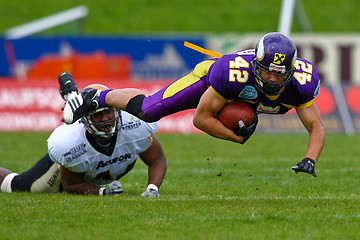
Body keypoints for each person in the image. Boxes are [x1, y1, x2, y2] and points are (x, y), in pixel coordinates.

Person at [62, 32, 325, 177]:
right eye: (267, 72)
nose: (272, 79)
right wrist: (235, 138)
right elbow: (200, 119)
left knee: (242, 110)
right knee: (149, 110)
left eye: (279, 74)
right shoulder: (230, 74)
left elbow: (316, 127)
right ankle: (97, 97)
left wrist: (309, 160)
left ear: (291, 72)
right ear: (256, 66)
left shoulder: (301, 84)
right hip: (208, 80)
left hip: (240, 95)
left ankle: (97, 96)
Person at [0, 76, 167, 196]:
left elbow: (157, 158)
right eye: (97, 116)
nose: (105, 119)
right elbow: (71, 184)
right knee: (18, 187)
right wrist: (101, 191)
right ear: (85, 121)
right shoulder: (71, 143)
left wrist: (152, 188)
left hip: (90, 172)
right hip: (65, 169)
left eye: (108, 112)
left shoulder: (134, 125)